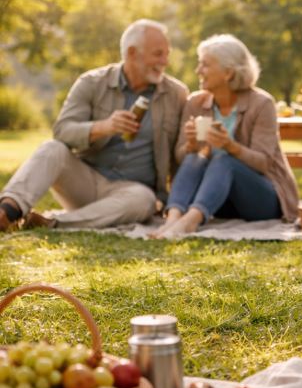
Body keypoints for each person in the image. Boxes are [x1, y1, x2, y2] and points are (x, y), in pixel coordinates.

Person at [0, 19, 188, 232]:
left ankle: (53, 223)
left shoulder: (176, 94)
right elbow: (61, 131)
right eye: (158, 54)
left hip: (131, 192)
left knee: (144, 199)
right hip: (85, 182)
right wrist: (103, 127)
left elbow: (181, 153)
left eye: (167, 54)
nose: (165, 61)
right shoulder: (91, 82)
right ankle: (8, 211)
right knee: (51, 149)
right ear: (132, 53)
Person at [149, 34, 299, 238]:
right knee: (196, 157)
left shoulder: (261, 104)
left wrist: (231, 146)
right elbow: (181, 157)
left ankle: (190, 222)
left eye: (205, 65)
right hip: (217, 200)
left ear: (228, 73)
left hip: (261, 200)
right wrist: (191, 145)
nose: (198, 71)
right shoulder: (195, 103)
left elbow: (263, 163)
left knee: (223, 159)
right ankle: (174, 218)